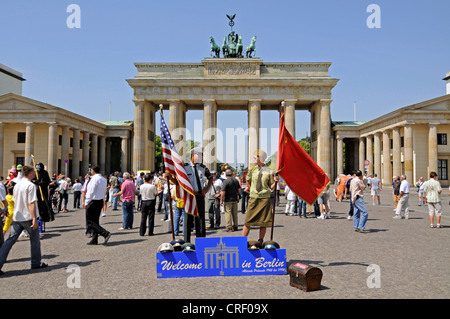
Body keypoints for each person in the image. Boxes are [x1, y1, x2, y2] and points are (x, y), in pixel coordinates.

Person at [0, 165, 48, 276]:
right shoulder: (30, 185)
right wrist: (35, 219)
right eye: (33, 172)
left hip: (17, 216)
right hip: (28, 217)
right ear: (30, 173)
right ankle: (35, 263)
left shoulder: (17, 185)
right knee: (35, 241)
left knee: (9, 241)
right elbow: (31, 203)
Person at [242, 150, 279, 244]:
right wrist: (252, 191)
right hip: (254, 198)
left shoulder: (269, 171)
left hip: (264, 199)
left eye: (255, 157)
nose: (253, 159)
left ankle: (260, 240)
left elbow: (271, 187)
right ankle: (242, 241)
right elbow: (248, 182)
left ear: (261, 158)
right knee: (248, 221)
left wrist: (275, 181)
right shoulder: (252, 170)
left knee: (264, 221)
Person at [177, 147, 213, 242]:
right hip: (189, 197)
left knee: (200, 220)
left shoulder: (203, 168)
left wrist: (205, 190)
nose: (201, 157)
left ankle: (201, 242)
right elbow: (178, 181)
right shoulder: (185, 167)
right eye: (199, 155)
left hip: (199, 196)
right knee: (188, 220)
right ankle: (187, 242)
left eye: (201, 155)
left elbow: (211, 178)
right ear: (193, 155)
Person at [84, 166, 111, 245]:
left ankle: (105, 233)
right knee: (95, 221)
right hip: (100, 201)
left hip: (93, 201)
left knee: (89, 221)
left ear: (93, 170)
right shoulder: (103, 179)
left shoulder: (94, 179)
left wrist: (86, 202)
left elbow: (91, 191)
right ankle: (94, 239)